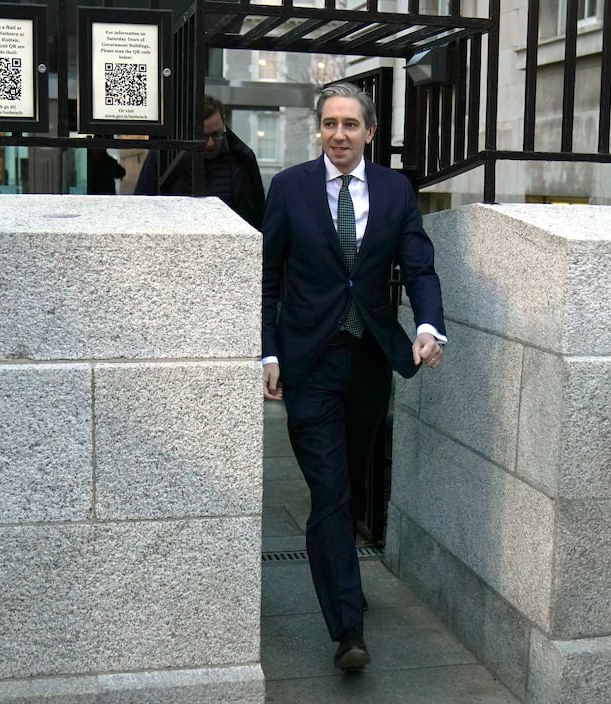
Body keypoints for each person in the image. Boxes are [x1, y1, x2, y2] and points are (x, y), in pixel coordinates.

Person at [261, 82, 447, 672]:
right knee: (331, 494)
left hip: (370, 361)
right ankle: (348, 630)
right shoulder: (289, 187)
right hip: (309, 363)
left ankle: (345, 584)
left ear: (370, 133)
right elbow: (266, 281)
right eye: (329, 124)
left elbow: (418, 265)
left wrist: (428, 327)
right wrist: (269, 355)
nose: (337, 134)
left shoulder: (395, 191)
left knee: (353, 480)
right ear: (320, 129)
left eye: (349, 125)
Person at [134, 94, 265, 229]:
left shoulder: (242, 158)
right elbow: (141, 209)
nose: (210, 144)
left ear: (224, 125)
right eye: (202, 136)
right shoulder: (163, 157)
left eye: (216, 134)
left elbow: (257, 216)